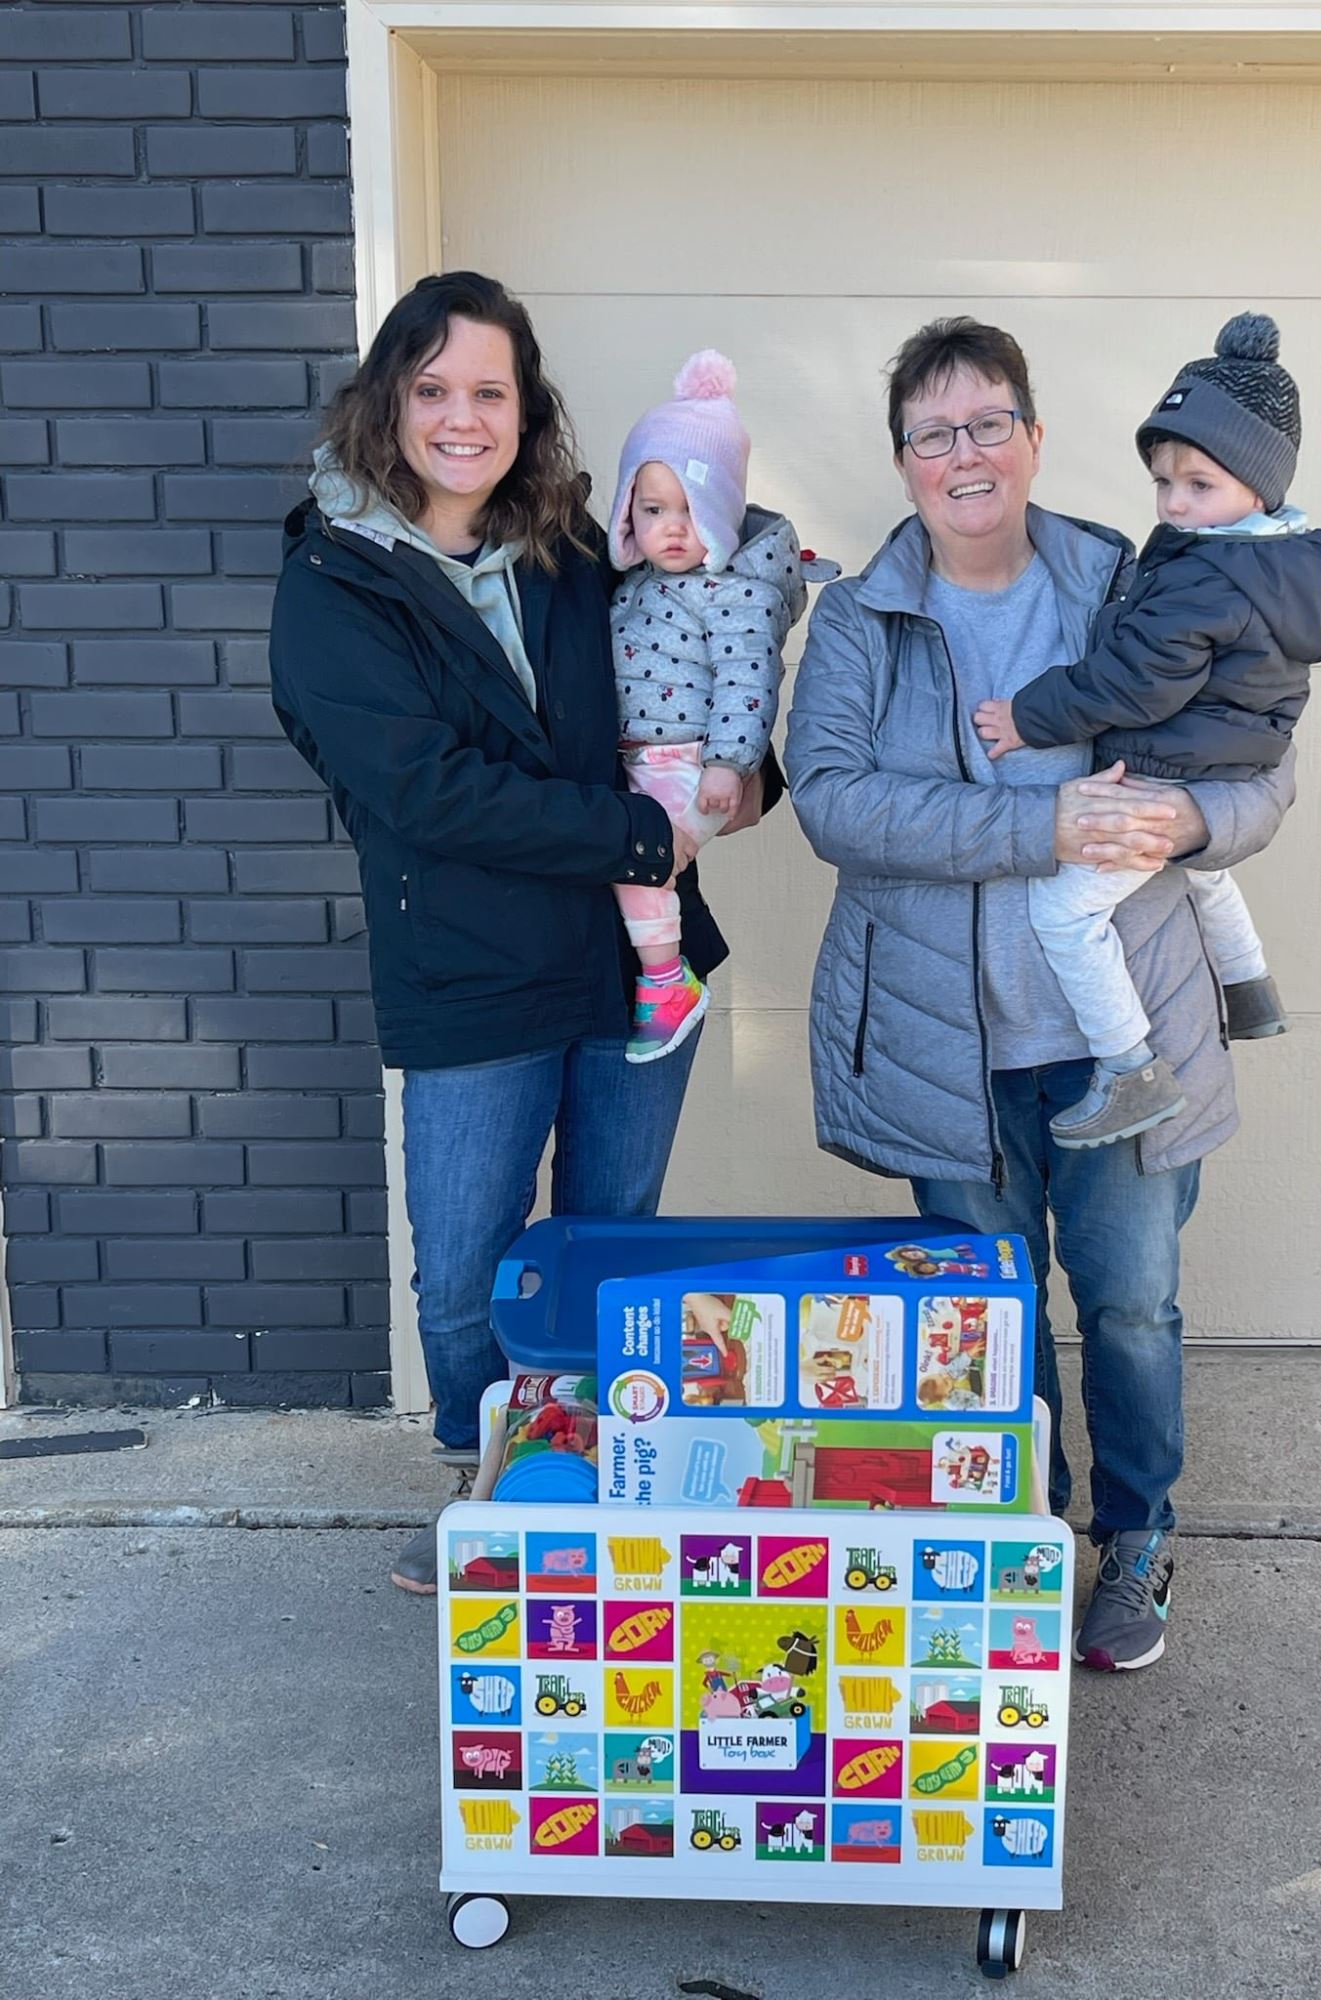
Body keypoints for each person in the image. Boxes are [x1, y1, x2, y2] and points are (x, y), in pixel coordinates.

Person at [785, 315, 1297, 1672]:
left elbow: (1263, 763)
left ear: (1034, 435)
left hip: (1116, 1038)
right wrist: (1045, 828)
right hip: (942, 1048)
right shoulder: (860, 619)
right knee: (987, 1317)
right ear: (903, 462)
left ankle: (1135, 1540)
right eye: (935, 432)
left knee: (1129, 1307)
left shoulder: (1128, 578)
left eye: (989, 421)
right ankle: (1023, 1539)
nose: (966, 452)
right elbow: (835, 803)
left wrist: (1187, 825)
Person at [269, 272, 778, 1593]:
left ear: (524, 407)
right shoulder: (335, 582)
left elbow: (683, 655)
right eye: (432, 388)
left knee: (609, 1251)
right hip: (470, 976)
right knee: (469, 1275)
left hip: (633, 967)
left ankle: (589, 1490)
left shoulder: (566, 553)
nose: (460, 416)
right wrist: (629, 834)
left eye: (488, 390)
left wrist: (745, 773)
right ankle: (483, 1483)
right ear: (387, 399)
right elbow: (425, 791)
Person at [974, 314, 1321, 1149]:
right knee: (1207, 873)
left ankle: (1129, 1069)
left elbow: (1135, 682)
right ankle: (1249, 986)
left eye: (1199, 485)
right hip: (1229, 762)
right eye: (1163, 482)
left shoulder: (1208, 576)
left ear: (1258, 485)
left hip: (1165, 767)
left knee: (1064, 914)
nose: (1176, 504)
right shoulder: (1294, 566)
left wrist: (1026, 716)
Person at [606, 350, 810, 1061]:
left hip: (688, 758)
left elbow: (748, 680)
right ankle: (661, 973)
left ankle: (667, 982)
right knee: (637, 861)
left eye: (690, 511)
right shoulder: (634, 584)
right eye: (652, 508)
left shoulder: (734, 593)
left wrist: (729, 764)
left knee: (640, 861)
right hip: (643, 756)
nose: (670, 527)